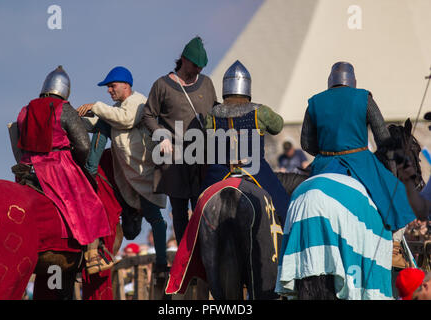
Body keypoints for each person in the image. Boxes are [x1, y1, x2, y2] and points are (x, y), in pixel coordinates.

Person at [15, 65, 112, 274]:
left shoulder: (25, 110)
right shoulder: (64, 109)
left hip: (26, 167)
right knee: (90, 202)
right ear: (65, 90)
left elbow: (17, 137)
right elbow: (84, 145)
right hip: (56, 167)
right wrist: (80, 164)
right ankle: (93, 257)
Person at [300, 61, 417, 234]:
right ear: (353, 81)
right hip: (360, 162)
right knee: (398, 197)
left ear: (330, 80)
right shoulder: (364, 98)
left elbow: (306, 144)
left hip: (323, 163)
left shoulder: (315, 102)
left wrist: (326, 152)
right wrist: (392, 173)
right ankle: (395, 248)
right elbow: (384, 140)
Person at [77, 66, 169, 274]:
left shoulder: (138, 102)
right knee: (102, 122)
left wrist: (96, 106)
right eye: (108, 87)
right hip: (129, 175)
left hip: (143, 173)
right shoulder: (117, 108)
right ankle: (91, 170)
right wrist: (76, 118)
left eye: (112, 86)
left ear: (126, 86)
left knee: (155, 219)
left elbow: (125, 119)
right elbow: (101, 121)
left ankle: (162, 263)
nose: (109, 90)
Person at [142, 37, 217, 244]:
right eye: (195, 65)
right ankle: (185, 262)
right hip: (173, 158)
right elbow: (148, 115)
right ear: (183, 60)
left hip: (202, 158)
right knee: (180, 212)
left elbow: (215, 114)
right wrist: (161, 136)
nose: (198, 70)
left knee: (204, 206)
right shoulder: (162, 85)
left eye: (201, 66)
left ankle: (206, 253)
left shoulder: (207, 84)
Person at [202, 60, 291, 223]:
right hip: (255, 170)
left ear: (225, 88)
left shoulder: (212, 114)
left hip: (221, 170)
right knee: (284, 207)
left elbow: (207, 143)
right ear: (247, 88)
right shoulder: (260, 111)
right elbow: (277, 126)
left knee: (199, 207)